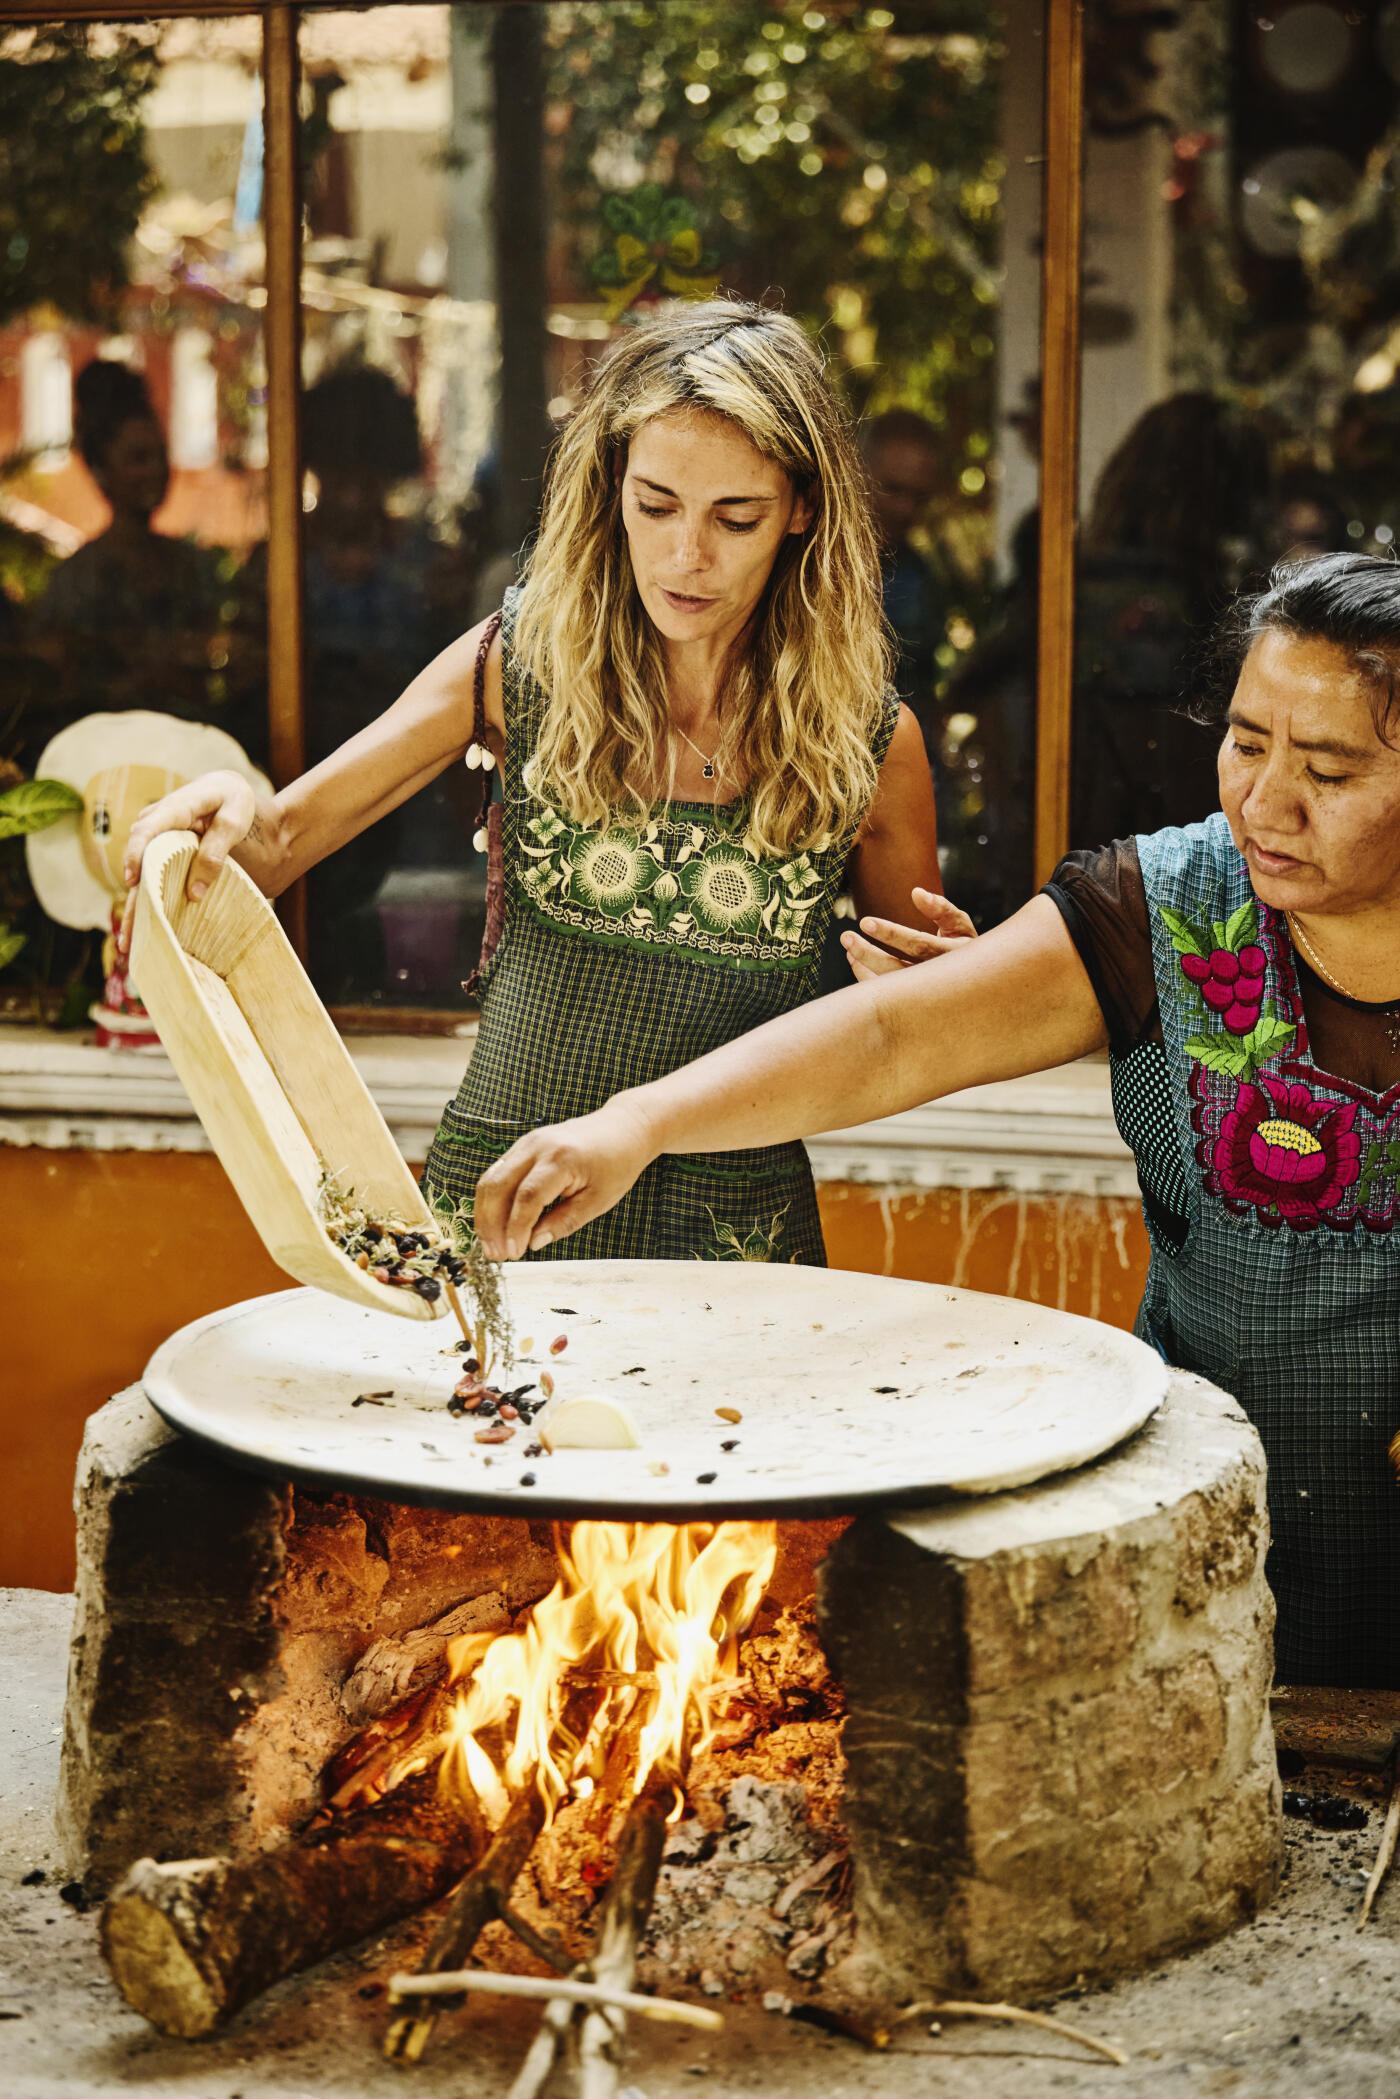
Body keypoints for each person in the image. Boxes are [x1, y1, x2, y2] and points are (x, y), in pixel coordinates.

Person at [474, 551, 1400, 1690]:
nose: (1262, 802)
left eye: (1330, 770)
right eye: (1246, 742)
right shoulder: (1168, 907)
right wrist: (638, 1121)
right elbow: (890, 1035)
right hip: (1204, 1543)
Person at [121, 300, 958, 1266]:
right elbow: (271, 845)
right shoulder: (516, 669)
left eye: (737, 517)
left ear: (802, 511)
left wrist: (935, 989)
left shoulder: (868, 744)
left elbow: (914, 1031)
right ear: (612, 489)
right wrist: (222, 801)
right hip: (498, 1225)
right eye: (655, 505)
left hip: (740, 1255)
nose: (688, 555)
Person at [34, 361, 244, 742]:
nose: (156, 472)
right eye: (138, 459)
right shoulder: (75, 582)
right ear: (101, 470)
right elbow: (62, 691)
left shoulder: (193, 565)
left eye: (159, 456)